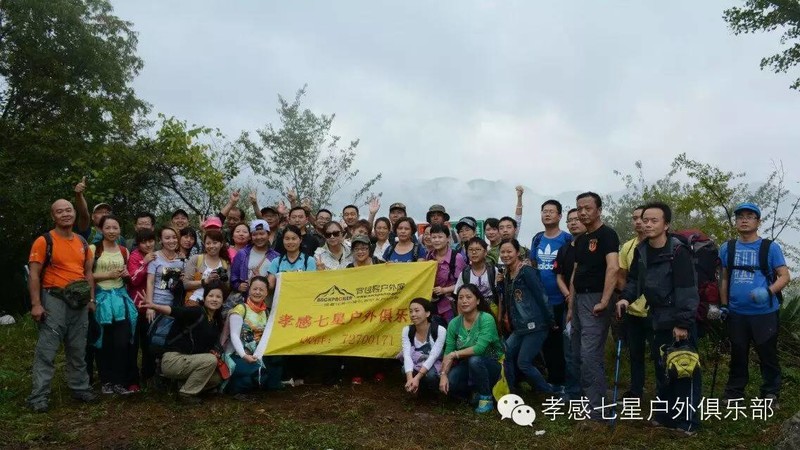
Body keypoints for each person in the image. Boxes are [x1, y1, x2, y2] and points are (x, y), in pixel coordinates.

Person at [616, 201, 701, 434]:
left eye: (654, 220)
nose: (648, 224)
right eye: (645, 220)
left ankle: (687, 422)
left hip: (678, 318)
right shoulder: (641, 250)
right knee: (663, 367)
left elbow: (687, 290)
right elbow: (635, 281)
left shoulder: (678, 251)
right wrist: (625, 298)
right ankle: (665, 417)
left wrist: (682, 323)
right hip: (657, 317)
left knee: (684, 368)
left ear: (666, 225)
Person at [27, 199, 97, 412]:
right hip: (54, 300)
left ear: (74, 213)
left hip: (80, 302)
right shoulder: (44, 241)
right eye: (60, 211)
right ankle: (39, 397)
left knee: (78, 347)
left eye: (68, 210)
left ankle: (80, 387)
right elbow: (34, 274)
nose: (65, 214)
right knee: (47, 350)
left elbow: (88, 273)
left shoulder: (82, 242)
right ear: (53, 216)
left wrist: (91, 300)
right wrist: (36, 304)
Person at [720, 202, 790, 407]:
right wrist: (724, 305)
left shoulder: (770, 248)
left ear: (758, 222)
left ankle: (770, 393)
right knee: (738, 353)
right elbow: (724, 278)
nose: (744, 220)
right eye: (740, 216)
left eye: (749, 217)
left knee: (767, 353)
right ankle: (734, 393)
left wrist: (767, 291)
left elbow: (784, 276)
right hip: (736, 312)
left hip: (764, 312)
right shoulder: (727, 248)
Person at [568, 191, 620, 422]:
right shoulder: (581, 240)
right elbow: (575, 272)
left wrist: (605, 300)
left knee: (590, 355)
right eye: (579, 208)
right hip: (579, 299)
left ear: (599, 210)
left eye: (587, 208)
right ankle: (591, 399)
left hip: (596, 299)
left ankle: (598, 411)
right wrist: (571, 305)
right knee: (577, 352)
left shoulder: (607, 234)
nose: (583, 212)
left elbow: (613, 268)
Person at [141, 281, 226, 404]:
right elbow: (175, 311)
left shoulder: (215, 322)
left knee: (216, 378)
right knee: (210, 360)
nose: (214, 299)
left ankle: (179, 385)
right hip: (173, 360)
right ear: (204, 298)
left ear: (223, 301)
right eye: (211, 296)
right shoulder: (197, 312)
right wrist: (154, 306)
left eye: (218, 297)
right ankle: (186, 394)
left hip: (190, 360)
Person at [497, 238, 562, 396]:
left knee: (524, 362)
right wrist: (500, 284)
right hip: (519, 326)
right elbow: (508, 299)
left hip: (535, 324)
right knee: (505, 353)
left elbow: (541, 295)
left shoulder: (527, 271)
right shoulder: (507, 274)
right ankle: (511, 390)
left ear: (517, 252)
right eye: (503, 252)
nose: (506, 255)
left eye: (509, 251)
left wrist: (550, 320)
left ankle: (548, 392)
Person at [89, 215, 138, 396]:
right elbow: (86, 275)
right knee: (104, 341)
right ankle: (106, 381)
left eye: (115, 228)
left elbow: (129, 277)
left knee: (122, 341)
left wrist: (125, 275)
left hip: (120, 299)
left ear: (119, 230)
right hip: (101, 299)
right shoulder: (93, 249)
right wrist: (107, 276)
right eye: (107, 228)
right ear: (101, 230)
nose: (111, 231)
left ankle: (120, 381)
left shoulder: (124, 250)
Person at [439, 284, 504, 413]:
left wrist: (454, 354)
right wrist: (443, 374)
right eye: (461, 298)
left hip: (492, 364)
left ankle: (486, 398)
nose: (464, 301)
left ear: (478, 301)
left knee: (475, 360)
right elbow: (448, 351)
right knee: (451, 382)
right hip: (468, 365)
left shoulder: (486, 319)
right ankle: (473, 393)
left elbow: (479, 349)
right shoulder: (454, 323)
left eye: (468, 297)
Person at [267, 225, 317, 385]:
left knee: (302, 340)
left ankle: (301, 376)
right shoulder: (276, 261)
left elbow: (312, 284)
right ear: (282, 241)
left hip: (303, 308)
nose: (290, 242)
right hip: (282, 308)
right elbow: (270, 285)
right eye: (287, 239)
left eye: (294, 238)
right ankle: (286, 376)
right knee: (285, 340)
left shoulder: (309, 261)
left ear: (300, 240)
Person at [531, 200, 572, 390]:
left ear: (559, 216)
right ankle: (554, 380)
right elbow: (533, 265)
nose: (547, 214)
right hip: (541, 300)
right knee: (546, 341)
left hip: (562, 298)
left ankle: (566, 382)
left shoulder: (567, 239)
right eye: (544, 211)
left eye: (551, 211)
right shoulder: (537, 239)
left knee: (563, 341)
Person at [617, 205, 653, 400]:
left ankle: (664, 391)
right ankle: (636, 389)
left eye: (642, 218)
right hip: (632, 309)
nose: (638, 222)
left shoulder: (660, 245)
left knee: (659, 353)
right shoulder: (628, 247)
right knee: (635, 353)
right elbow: (623, 276)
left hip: (655, 311)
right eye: (635, 218)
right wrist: (626, 298)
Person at [224, 276, 283, 394]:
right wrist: (244, 355)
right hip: (238, 355)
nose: (257, 292)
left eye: (261, 290)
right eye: (254, 289)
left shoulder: (266, 312)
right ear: (249, 290)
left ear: (266, 293)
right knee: (257, 374)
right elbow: (234, 335)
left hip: (258, 355)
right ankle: (232, 388)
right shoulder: (240, 309)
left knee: (274, 369)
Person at [554, 208, 586, 400]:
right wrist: (568, 295)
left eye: (577, 219)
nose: (574, 223)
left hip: (589, 303)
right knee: (569, 349)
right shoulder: (564, 249)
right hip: (568, 304)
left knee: (587, 350)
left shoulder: (593, 245)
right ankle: (573, 391)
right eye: (570, 220)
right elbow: (559, 276)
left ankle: (589, 390)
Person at [127, 229, 157, 386]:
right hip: (135, 307)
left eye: (151, 241)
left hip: (152, 306)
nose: (148, 245)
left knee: (149, 344)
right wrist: (144, 263)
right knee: (133, 345)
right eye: (144, 242)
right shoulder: (134, 256)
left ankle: (148, 375)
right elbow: (133, 280)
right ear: (138, 244)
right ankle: (132, 379)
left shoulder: (157, 255)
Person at [401, 298, 446, 395]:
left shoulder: (439, 330)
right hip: (417, 361)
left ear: (427, 313)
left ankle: (433, 393)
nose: (413, 314)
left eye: (417, 311)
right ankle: (414, 388)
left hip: (433, 362)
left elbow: (433, 356)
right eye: (411, 311)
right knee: (405, 369)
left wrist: (417, 378)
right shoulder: (407, 330)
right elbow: (407, 355)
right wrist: (410, 379)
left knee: (431, 376)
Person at [426, 224, 467, 323]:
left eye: (440, 237)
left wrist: (444, 290)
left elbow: (464, 283)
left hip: (450, 306)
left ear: (448, 238)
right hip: (433, 305)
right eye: (434, 237)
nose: (436, 240)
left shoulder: (457, 257)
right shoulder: (429, 256)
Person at [231, 220, 279, 296]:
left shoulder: (276, 257)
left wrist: (260, 279)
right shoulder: (243, 254)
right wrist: (238, 286)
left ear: (268, 234)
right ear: (251, 236)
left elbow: (278, 283)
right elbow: (234, 276)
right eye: (255, 234)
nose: (258, 237)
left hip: (267, 300)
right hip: (247, 299)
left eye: (262, 234)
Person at [184, 230, 232, 303]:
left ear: (221, 244)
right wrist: (205, 281)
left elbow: (228, 287)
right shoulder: (196, 259)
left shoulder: (225, 264)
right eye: (208, 243)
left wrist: (220, 281)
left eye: (215, 243)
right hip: (195, 301)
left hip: (215, 303)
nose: (211, 246)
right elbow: (185, 284)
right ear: (204, 244)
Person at [454, 237, 499, 314]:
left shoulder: (493, 271)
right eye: (470, 250)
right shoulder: (465, 273)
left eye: (478, 249)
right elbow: (459, 296)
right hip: (471, 313)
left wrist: (500, 316)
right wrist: (460, 317)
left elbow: (500, 296)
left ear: (485, 252)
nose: (474, 252)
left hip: (492, 311)